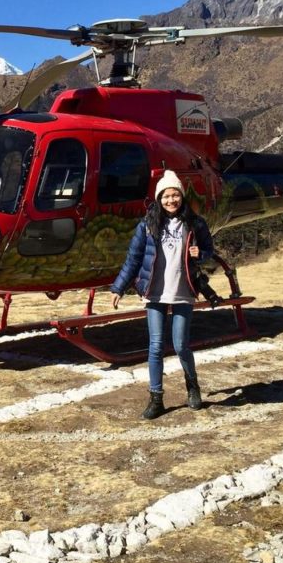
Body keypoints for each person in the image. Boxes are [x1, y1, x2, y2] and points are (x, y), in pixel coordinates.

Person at [109, 169, 215, 419]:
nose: (171, 200)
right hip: (154, 293)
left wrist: (201, 255)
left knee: (180, 345)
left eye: (175, 195)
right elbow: (133, 259)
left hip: (183, 290)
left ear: (182, 196)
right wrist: (118, 287)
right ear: (159, 198)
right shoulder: (147, 225)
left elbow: (209, 250)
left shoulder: (195, 223)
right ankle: (156, 398)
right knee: (155, 347)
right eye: (166, 196)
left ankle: (193, 387)